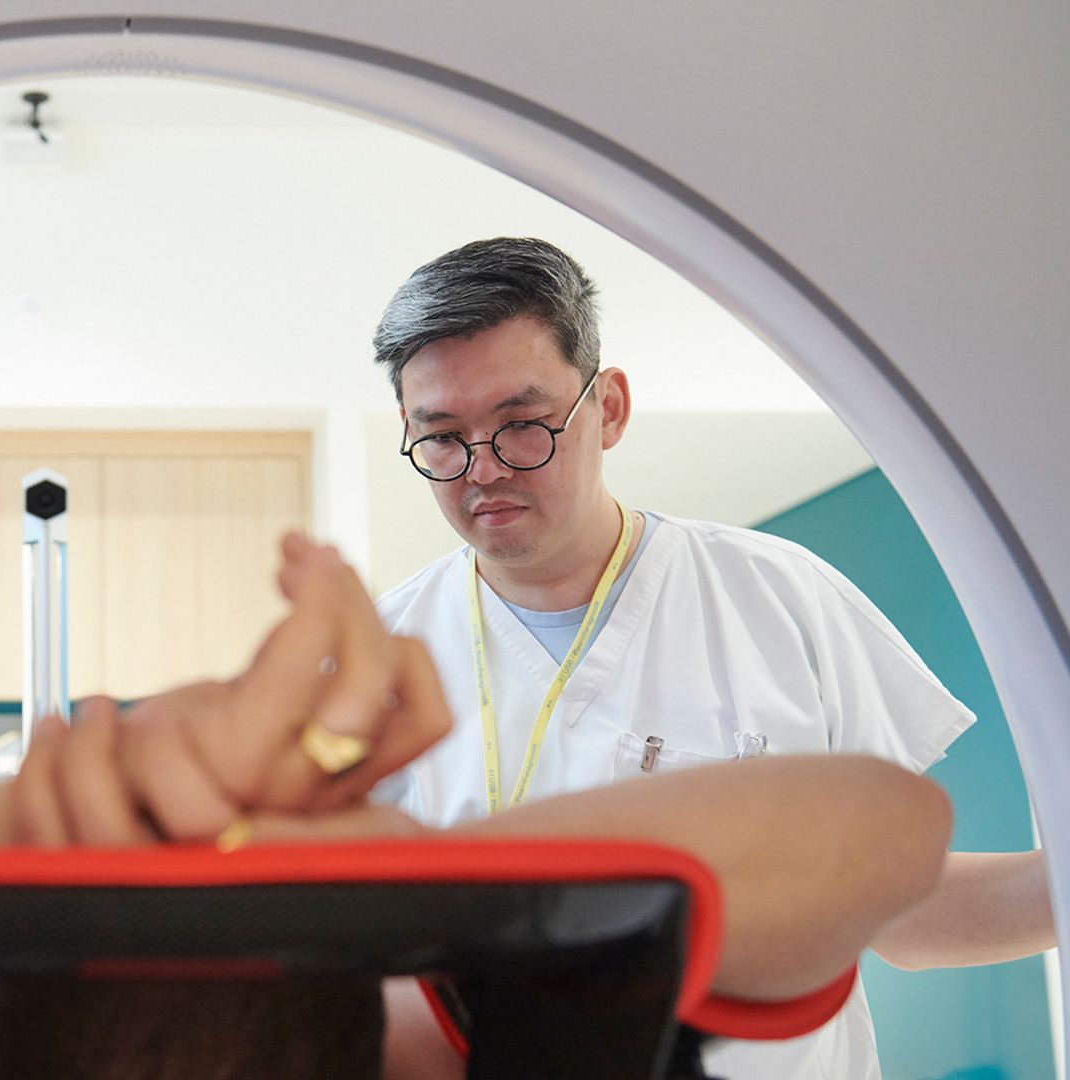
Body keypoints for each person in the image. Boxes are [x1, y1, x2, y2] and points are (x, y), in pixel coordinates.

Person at [0, 536, 953, 1080]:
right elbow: (885, 830)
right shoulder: (521, 1047)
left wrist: (23, 824)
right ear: (405, 1028)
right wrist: (357, 846)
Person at [368, 236, 1056, 1078]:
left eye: (521, 425)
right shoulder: (374, 665)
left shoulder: (782, 600)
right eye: (443, 439)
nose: (484, 471)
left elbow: (896, 914)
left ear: (608, 406)